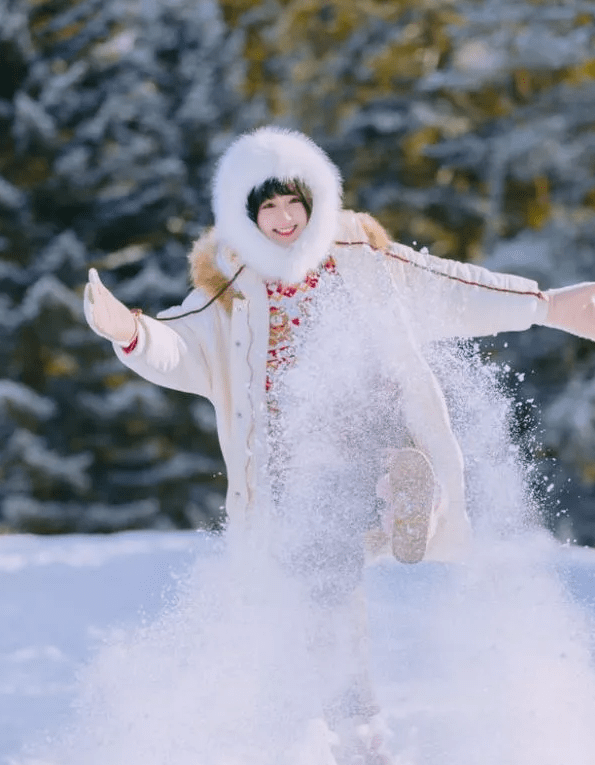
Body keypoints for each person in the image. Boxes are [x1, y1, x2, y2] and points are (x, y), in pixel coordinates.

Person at [84, 125, 595, 765]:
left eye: (294, 202)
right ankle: (357, 735)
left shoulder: (358, 254)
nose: (284, 219)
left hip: (376, 429)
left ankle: (405, 486)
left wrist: (545, 304)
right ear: (247, 217)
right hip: (302, 472)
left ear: (316, 199)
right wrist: (126, 331)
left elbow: (447, 285)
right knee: (322, 583)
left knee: (371, 432)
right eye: (267, 207)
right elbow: (179, 348)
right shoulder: (228, 285)